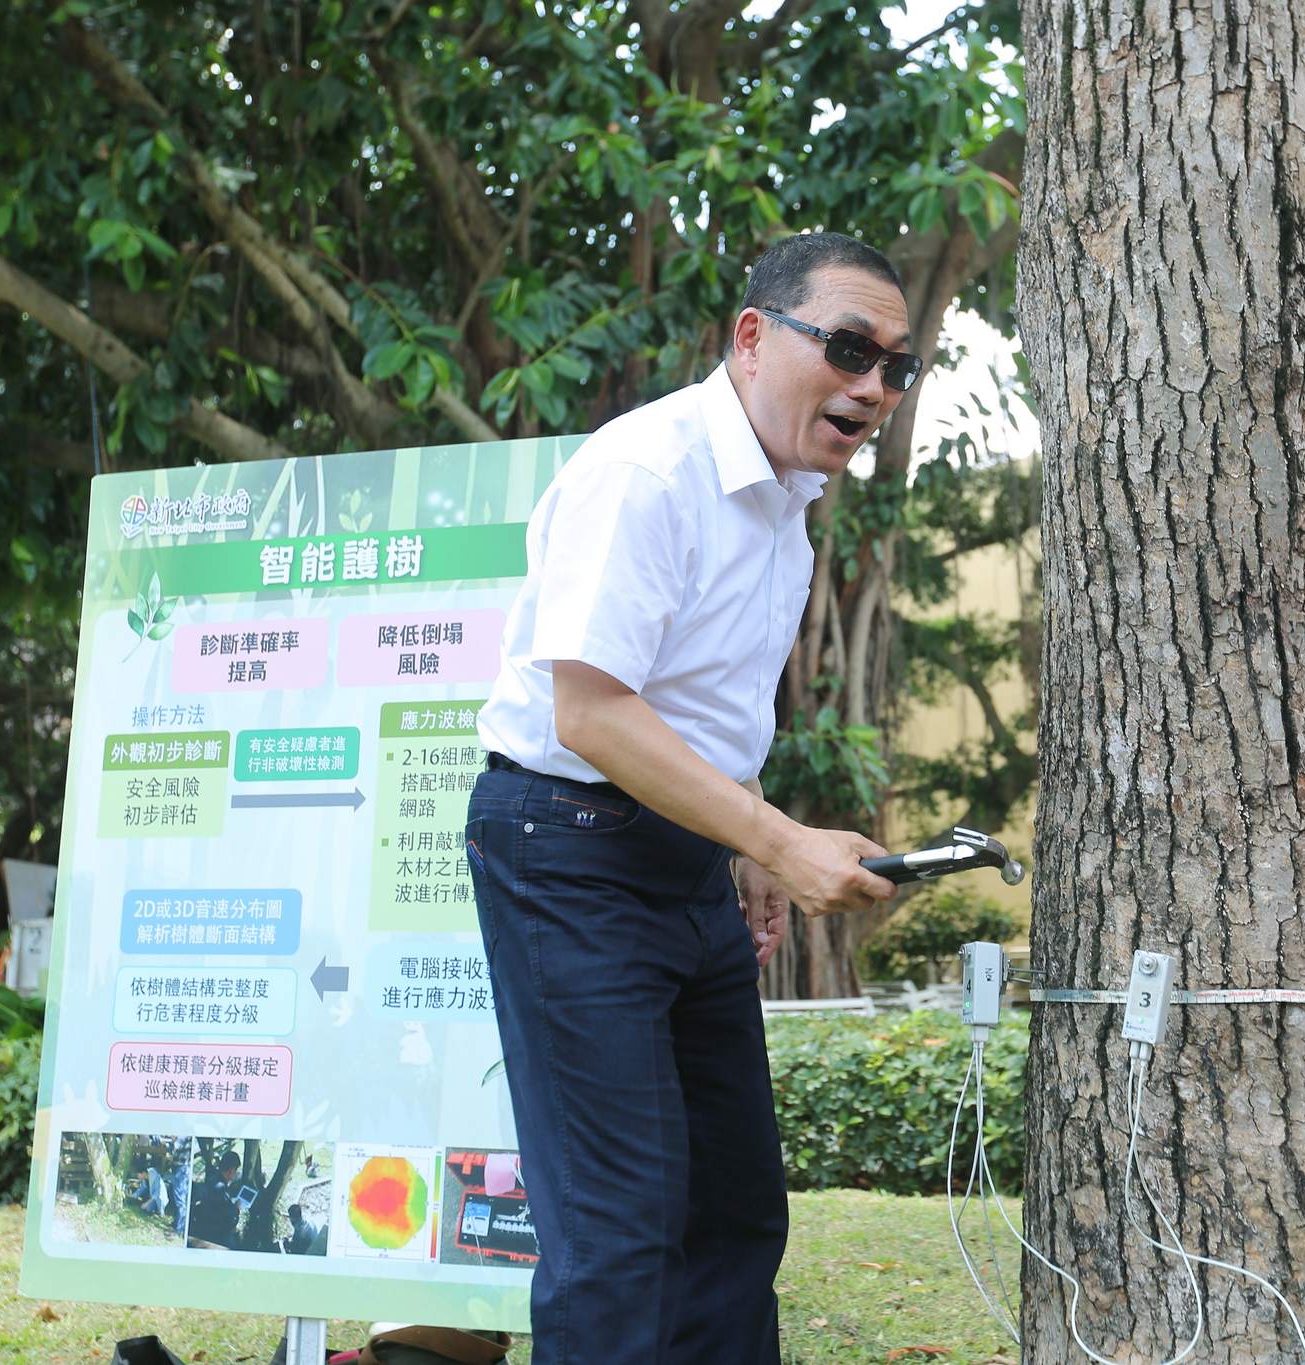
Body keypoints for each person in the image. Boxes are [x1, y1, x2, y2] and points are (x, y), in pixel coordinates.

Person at [467, 230, 912, 1361]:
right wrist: (779, 837)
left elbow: (702, 703)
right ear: (753, 337)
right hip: (565, 851)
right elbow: (593, 712)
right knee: (616, 1236)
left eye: (894, 367)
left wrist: (749, 846)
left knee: (732, 1212)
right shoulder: (644, 472)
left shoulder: (788, 501)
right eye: (850, 348)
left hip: (685, 858)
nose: (873, 387)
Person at [188, 1148, 244, 1249]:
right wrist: (236, 1209)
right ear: (231, 1170)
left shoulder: (213, 1178)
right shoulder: (220, 1188)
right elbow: (228, 1218)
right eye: (235, 1170)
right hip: (214, 1232)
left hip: (204, 1223)